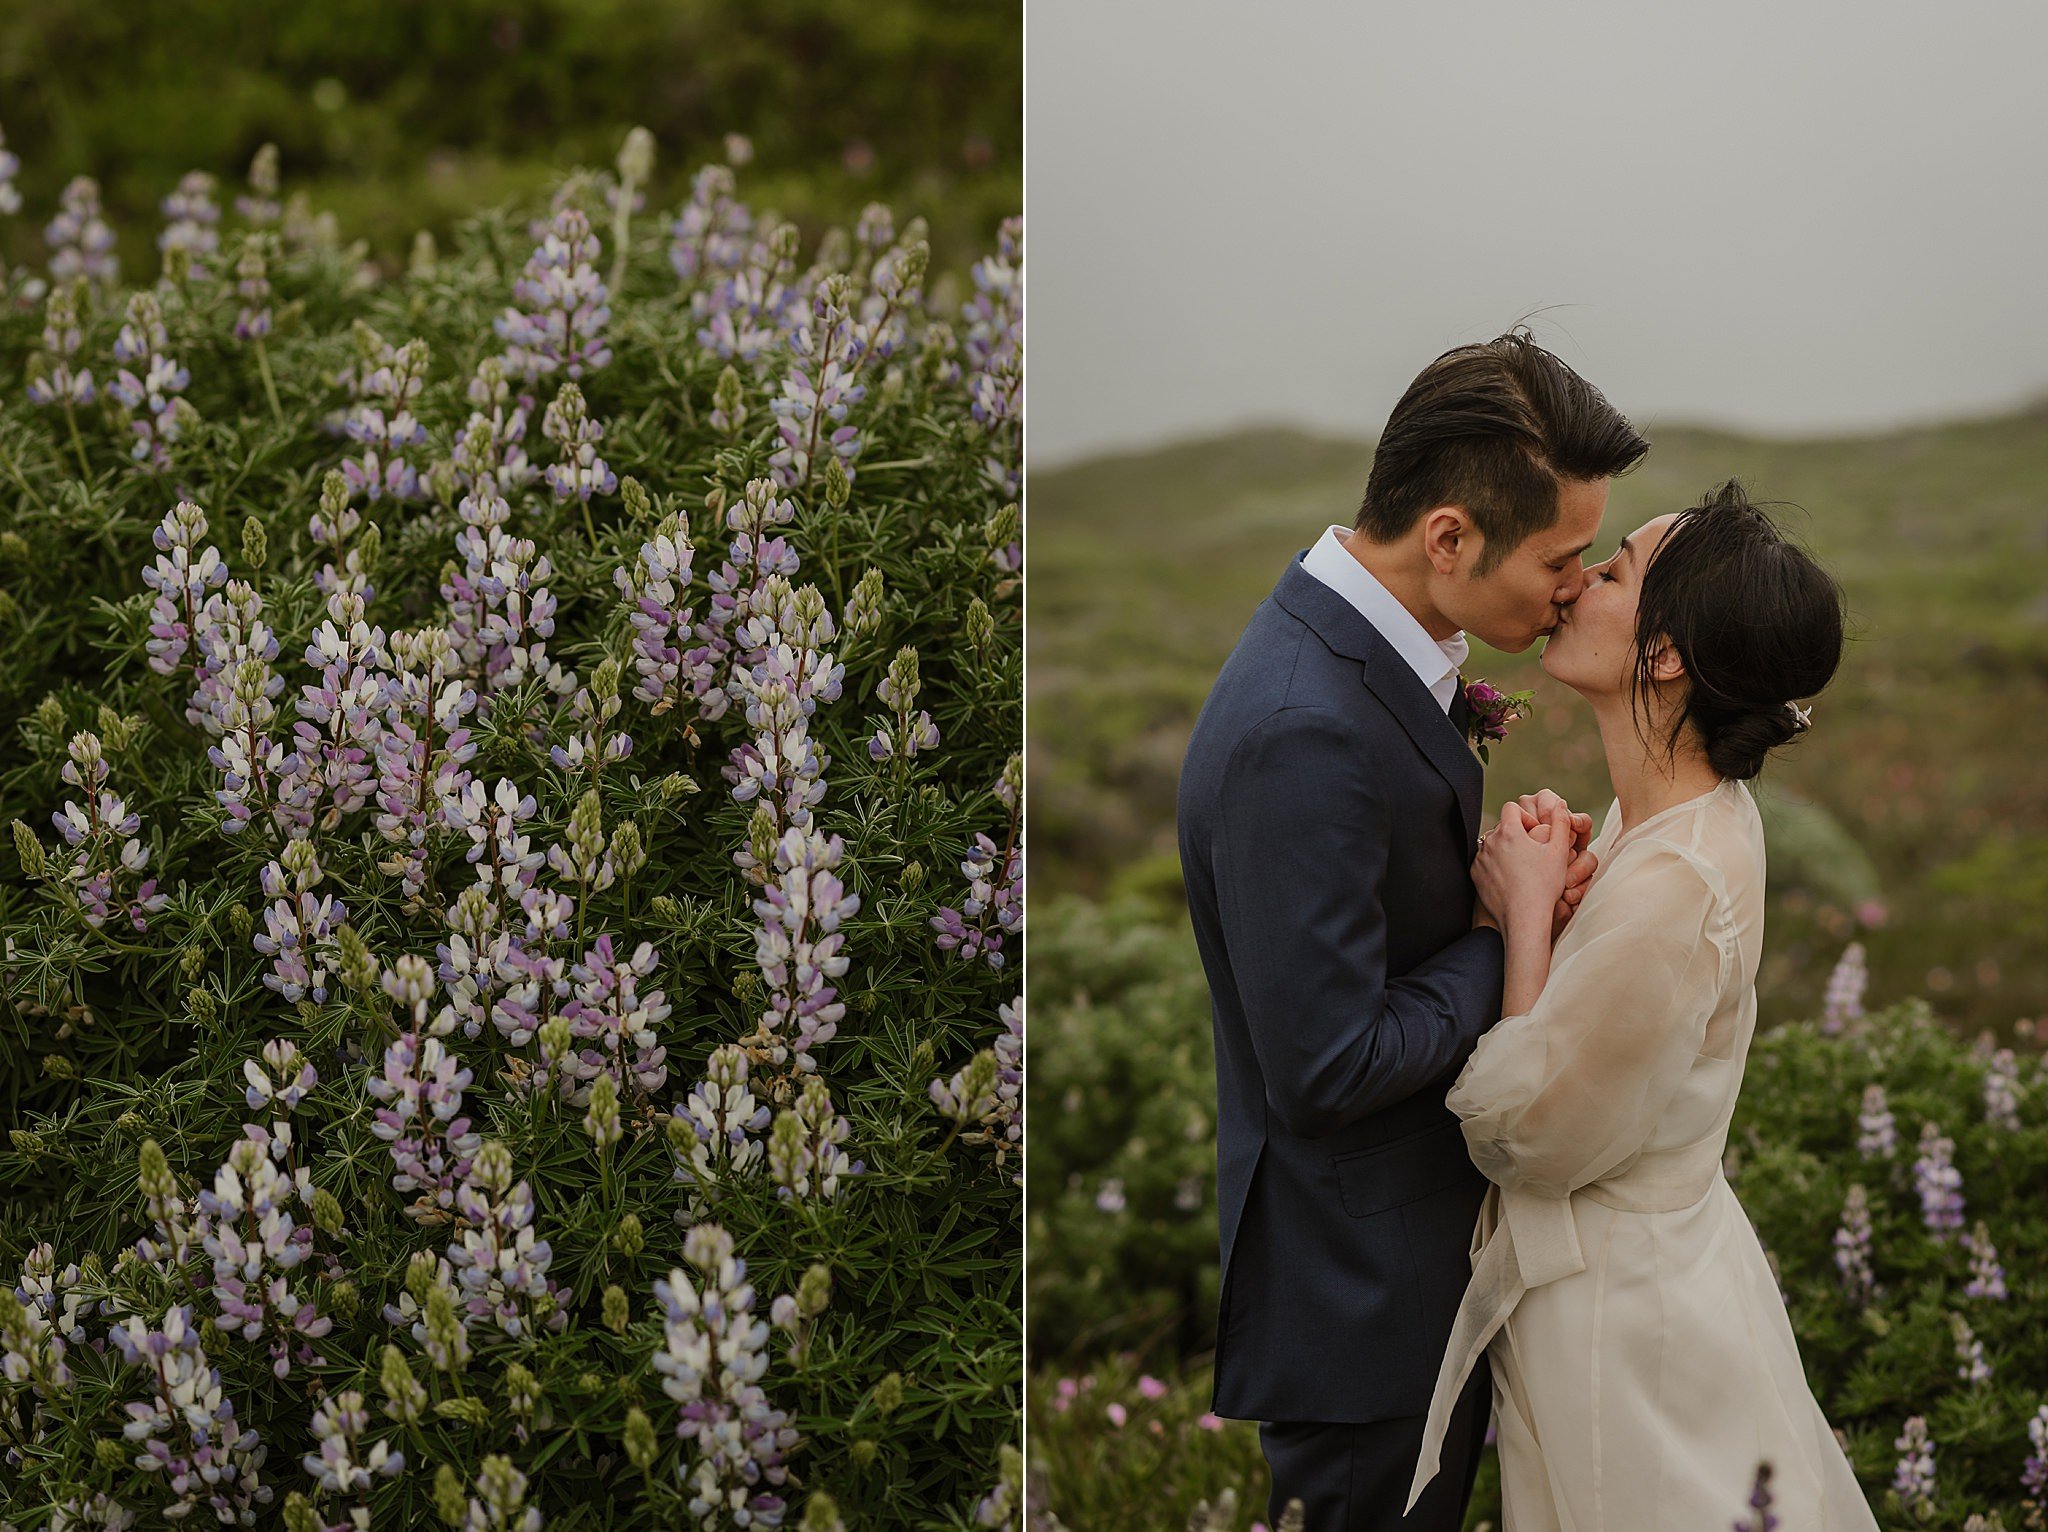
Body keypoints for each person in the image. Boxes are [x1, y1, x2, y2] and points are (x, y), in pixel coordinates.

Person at [1175, 329, 1644, 1530]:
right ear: (1447, 536)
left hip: (1403, 1276)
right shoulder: (1302, 726)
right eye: (1559, 557)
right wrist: (1512, 927)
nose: (1571, 590)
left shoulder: (1375, 647)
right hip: (1358, 1303)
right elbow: (1325, 1066)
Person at [1403, 480, 1876, 1528]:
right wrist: (1565, 900)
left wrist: (1523, 915)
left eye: (1610, 573)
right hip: (1646, 1279)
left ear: (1662, 657)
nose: (1574, 584)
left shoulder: (1678, 877)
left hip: (1624, 1322)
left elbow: (1526, 1135)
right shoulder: (1676, 816)